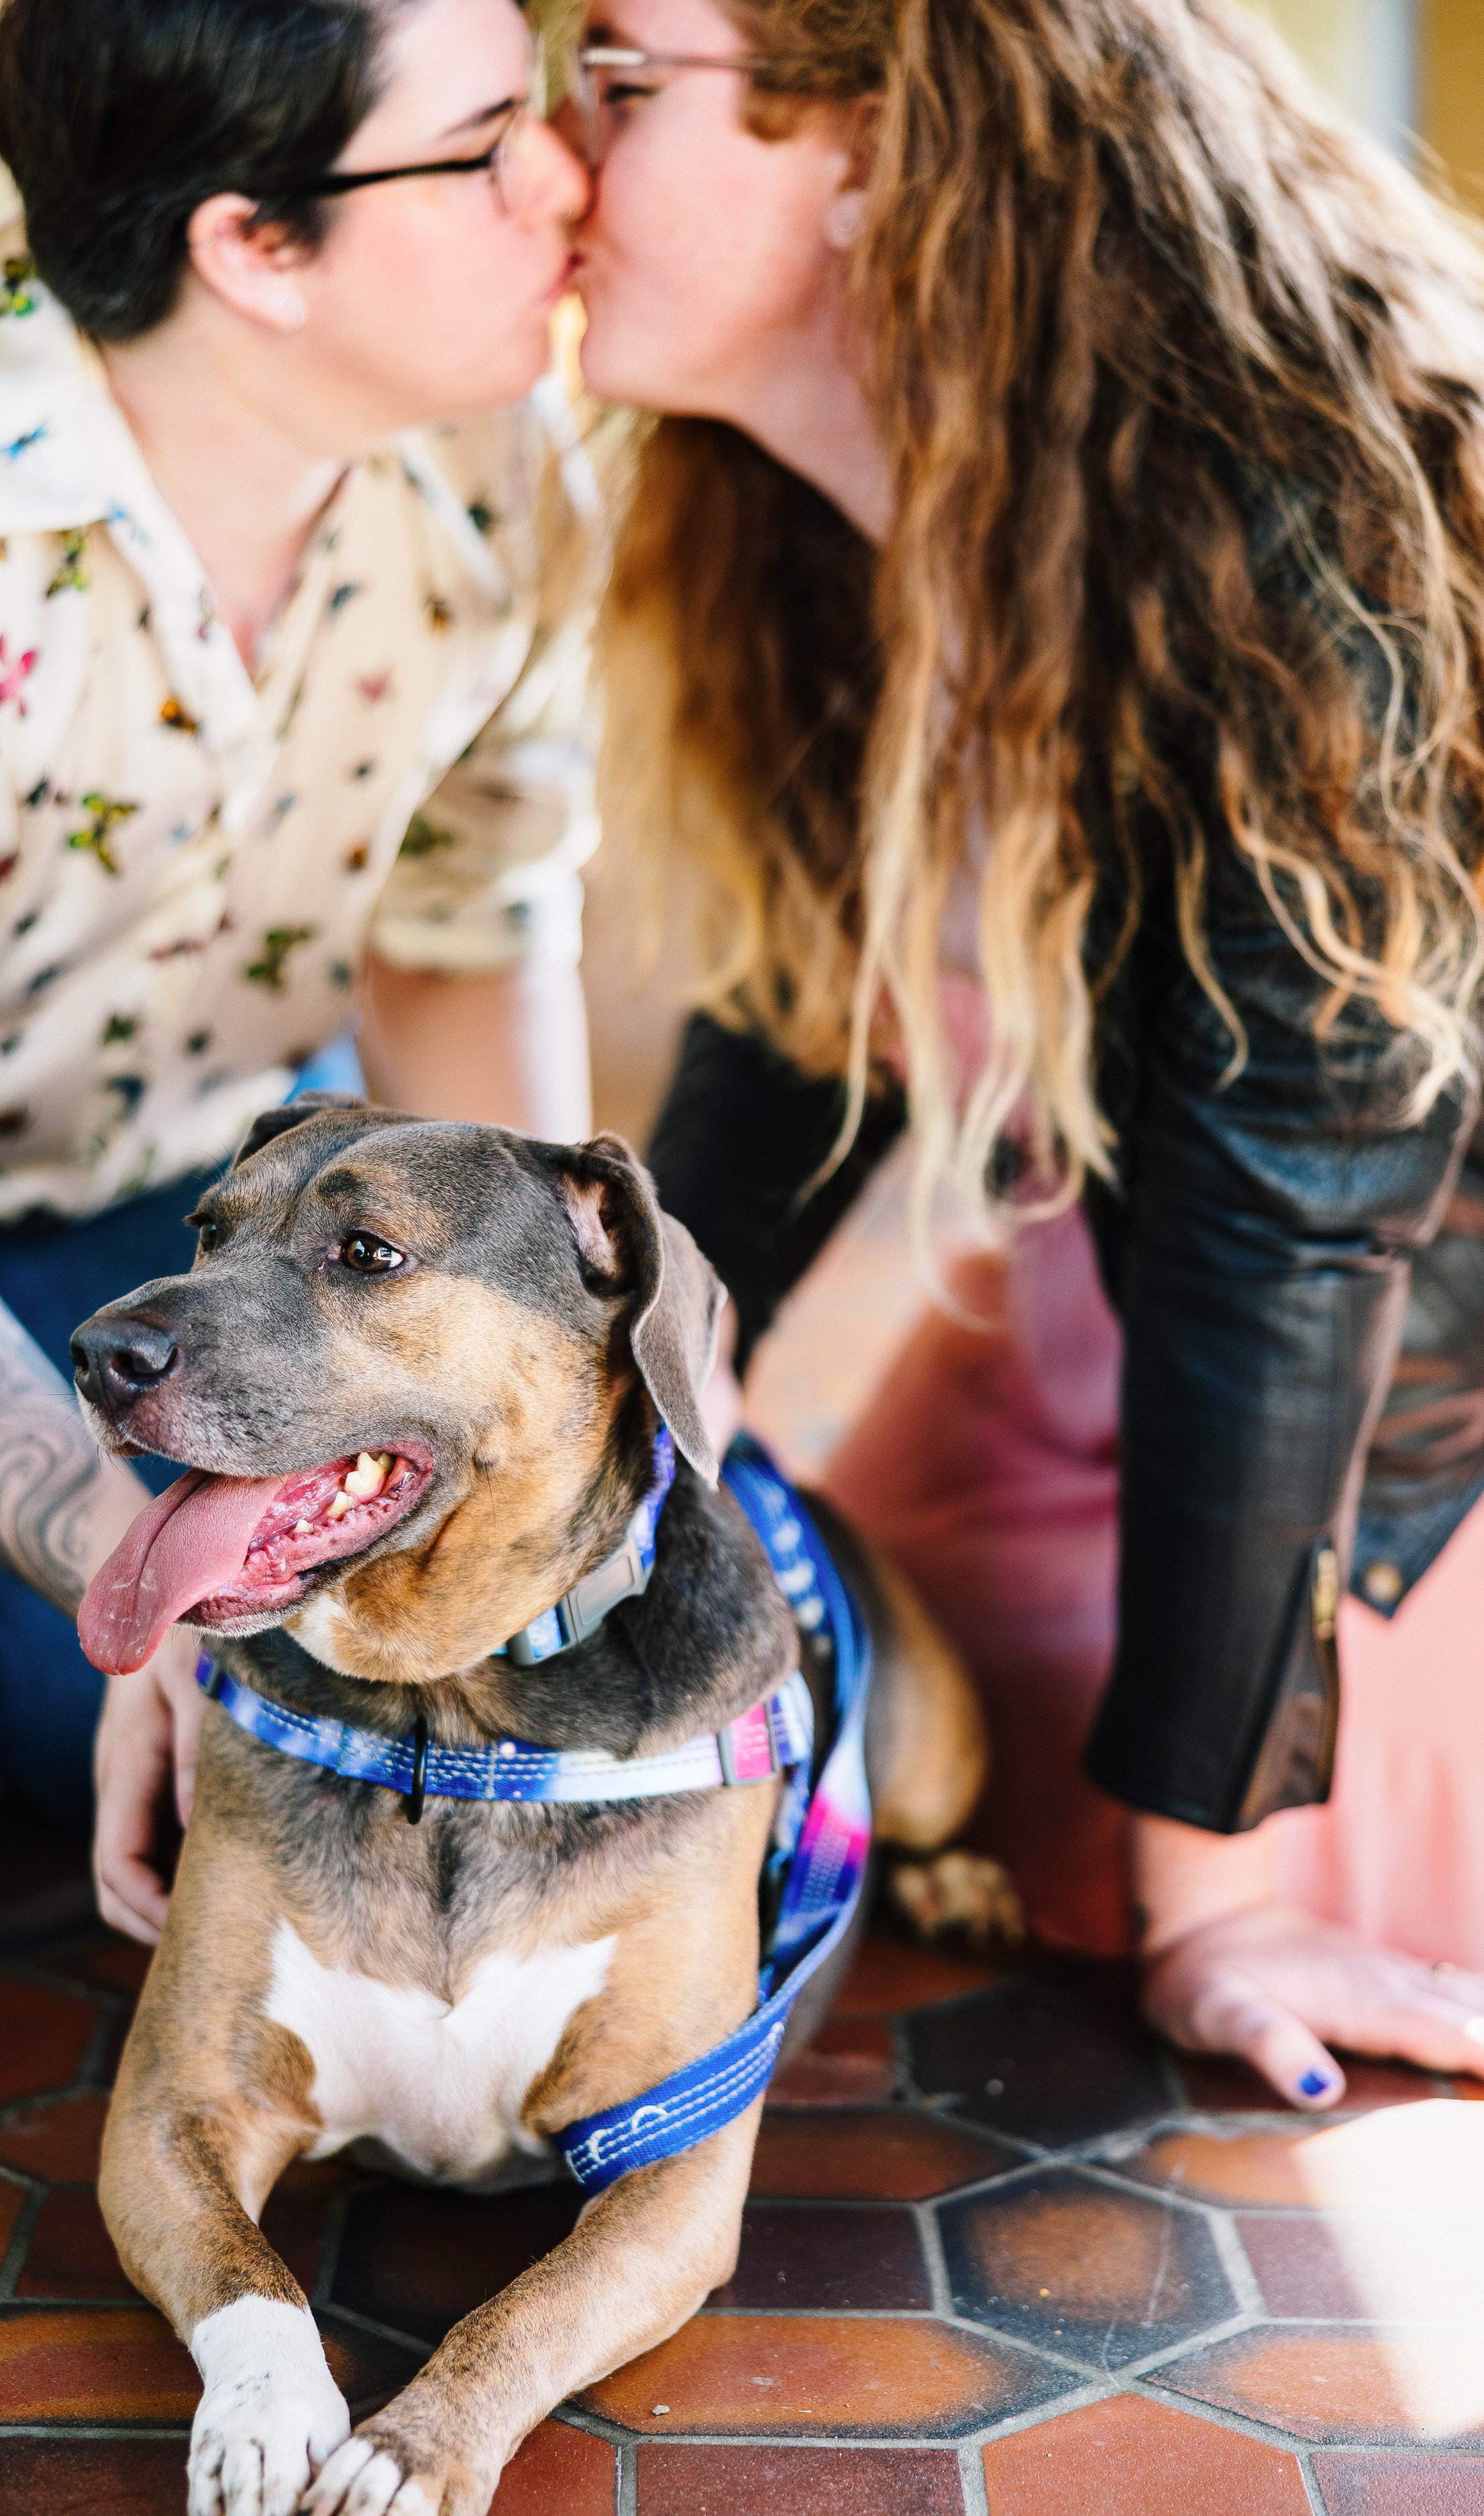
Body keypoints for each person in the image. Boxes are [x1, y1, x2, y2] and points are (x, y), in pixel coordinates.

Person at [564, 0, 1484, 2103]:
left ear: (880, 148)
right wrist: (587, 1423)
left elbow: (1294, 1228)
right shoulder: (800, 512)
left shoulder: (1301, 521)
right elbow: (796, 1052)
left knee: (1044, 1767)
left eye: (616, 84)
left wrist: (1220, 1893)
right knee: (822, 1662)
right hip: (1123, 1347)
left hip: (1400, 1422)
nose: (546, 159)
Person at [0, 0, 596, 1944]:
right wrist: (109, 1551)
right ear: (251, 245)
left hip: (181, 1181)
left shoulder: (499, 455)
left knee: (96, 1667)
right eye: (485, 144)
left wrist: (567, 1349)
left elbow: (464, 937)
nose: (564, 183)